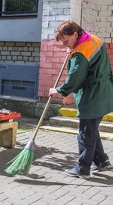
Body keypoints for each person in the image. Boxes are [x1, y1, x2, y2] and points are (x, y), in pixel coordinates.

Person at [49, 20, 113, 178]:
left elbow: (75, 77)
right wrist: (73, 50)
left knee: (85, 133)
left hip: (92, 95)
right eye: (63, 42)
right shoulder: (93, 39)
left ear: (75, 34)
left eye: (66, 41)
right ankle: (102, 161)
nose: (65, 45)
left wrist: (59, 90)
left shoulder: (80, 52)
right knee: (91, 129)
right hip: (103, 91)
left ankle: (83, 168)